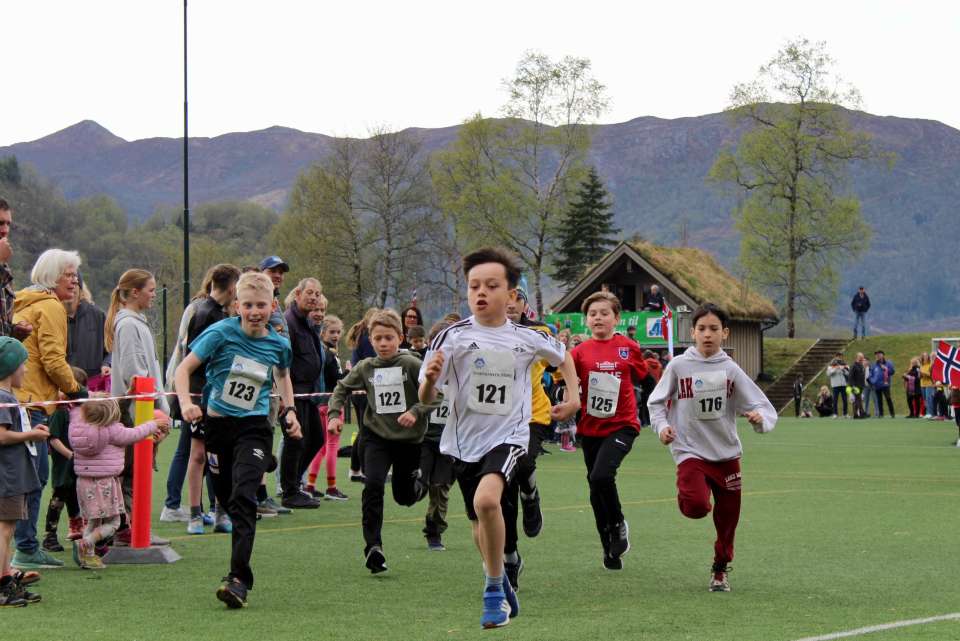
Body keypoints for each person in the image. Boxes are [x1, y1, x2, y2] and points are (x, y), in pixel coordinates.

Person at [418, 247, 580, 629]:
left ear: (510, 294)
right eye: (474, 285)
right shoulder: (451, 338)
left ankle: (493, 591)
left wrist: (573, 397)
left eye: (491, 286)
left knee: (487, 501)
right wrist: (429, 380)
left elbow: (564, 358)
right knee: (478, 521)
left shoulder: (526, 338)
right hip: (462, 443)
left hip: (509, 436)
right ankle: (500, 576)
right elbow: (426, 398)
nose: (481, 292)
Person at [174, 271, 302, 609]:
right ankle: (262, 461)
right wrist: (186, 404)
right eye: (248, 305)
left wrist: (290, 410)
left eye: (261, 305)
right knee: (228, 498)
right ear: (236, 305)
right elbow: (183, 370)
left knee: (244, 498)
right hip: (218, 427)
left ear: (272, 306)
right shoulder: (220, 333)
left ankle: (238, 579)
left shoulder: (279, 344)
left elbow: (283, 375)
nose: (255, 312)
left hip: (254, 426)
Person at [647, 302, 777, 592]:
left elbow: (760, 405)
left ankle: (720, 569)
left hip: (726, 453)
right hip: (690, 451)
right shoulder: (679, 366)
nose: (708, 334)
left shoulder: (731, 370)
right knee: (696, 507)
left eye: (714, 329)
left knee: (728, 520)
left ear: (725, 333)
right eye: (702, 329)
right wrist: (662, 427)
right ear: (692, 332)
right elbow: (655, 402)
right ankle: (689, 493)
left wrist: (759, 419)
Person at [327, 309, 434, 574]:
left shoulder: (412, 365)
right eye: (378, 338)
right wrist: (334, 415)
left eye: (388, 338)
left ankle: (421, 483)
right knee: (373, 484)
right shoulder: (366, 367)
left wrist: (415, 411)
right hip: (376, 437)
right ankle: (373, 547)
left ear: (400, 338)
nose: (383, 343)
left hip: (408, 440)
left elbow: (437, 395)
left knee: (404, 497)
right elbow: (341, 387)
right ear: (371, 340)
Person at [569, 291, 655, 571]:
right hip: (590, 428)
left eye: (604, 313)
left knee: (602, 476)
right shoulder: (578, 353)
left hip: (622, 425)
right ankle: (609, 548)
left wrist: (660, 411)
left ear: (616, 318)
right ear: (586, 320)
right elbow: (565, 384)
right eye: (592, 314)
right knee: (595, 488)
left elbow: (647, 381)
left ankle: (618, 524)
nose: (598, 318)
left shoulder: (628, 347)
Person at [11, 249, 85, 570]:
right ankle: (26, 547)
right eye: (68, 274)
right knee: (35, 475)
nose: (75, 280)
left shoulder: (24, 302)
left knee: (28, 475)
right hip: (31, 404)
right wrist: (76, 389)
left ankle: (24, 544)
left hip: (17, 400)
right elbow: (53, 360)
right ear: (52, 276)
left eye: (75, 275)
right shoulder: (51, 306)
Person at [162, 264, 241, 532]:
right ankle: (195, 513)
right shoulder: (207, 314)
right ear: (233, 287)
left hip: (214, 393)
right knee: (198, 454)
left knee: (216, 454)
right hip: (203, 395)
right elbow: (196, 359)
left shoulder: (216, 312)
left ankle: (219, 511)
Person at [105, 268, 173, 546]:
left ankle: (134, 529)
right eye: (151, 290)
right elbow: (135, 373)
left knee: (135, 473)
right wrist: (153, 410)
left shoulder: (135, 322)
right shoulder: (128, 325)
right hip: (135, 412)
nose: (154, 295)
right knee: (131, 473)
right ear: (135, 292)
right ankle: (128, 530)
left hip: (142, 411)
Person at [501, 286, 559, 589]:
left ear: (525, 305)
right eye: (506, 299)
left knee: (523, 463)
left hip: (533, 414)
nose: (511, 305)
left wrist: (568, 393)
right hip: (497, 420)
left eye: (517, 300)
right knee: (503, 494)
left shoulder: (539, 332)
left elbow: (560, 363)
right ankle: (510, 558)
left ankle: (531, 493)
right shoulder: (484, 333)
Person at [69, 397, 169, 569]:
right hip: (105, 483)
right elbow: (135, 434)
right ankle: (86, 543)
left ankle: (88, 555)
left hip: (83, 482)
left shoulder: (79, 428)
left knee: (93, 521)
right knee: (113, 523)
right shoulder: (112, 430)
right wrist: (153, 424)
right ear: (110, 414)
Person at [0, 337, 47, 606]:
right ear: (9, 368)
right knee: (4, 529)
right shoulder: (2, 397)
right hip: (6, 476)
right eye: (22, 365)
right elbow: (1, 436)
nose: (26, 370)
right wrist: (31, 435)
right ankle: (2, 585)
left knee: (7, 529)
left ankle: (7, 579)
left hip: (13, 475)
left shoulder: (9, 397)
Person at [280, 278, 326, 509]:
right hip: (294, 393)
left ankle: (294, 483)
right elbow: (282, 363)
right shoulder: (288, 322)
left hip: (309, 393)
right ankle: (289, 491)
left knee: (316, 438)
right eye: (310, 292)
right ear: (297, 294)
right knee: (295, 440)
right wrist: (283, 397)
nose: (314, 297)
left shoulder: (307, 322)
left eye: (317, 294)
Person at [41, 366, 88, 553]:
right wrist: (70, 455)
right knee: (58, 499)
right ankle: (49, 536)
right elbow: (53, 439)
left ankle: (76, 528)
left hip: (78, 465)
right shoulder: (60, 411)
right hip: (64, 466)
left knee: (75, 496)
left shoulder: (80, 411)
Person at [420, 320, 456, 551]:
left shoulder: (463, 371)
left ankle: (434, 532)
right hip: (423, 439)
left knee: (439, 488)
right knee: (419, 484)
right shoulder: (422, 370)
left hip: (449, 442)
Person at [304, 315, 348, 501]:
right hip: (332, 404)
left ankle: (310, 485)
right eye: (332, 332)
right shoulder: (329, 355)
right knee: (332, 446)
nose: (336, 335)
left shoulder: (321, 353)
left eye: (338, 332)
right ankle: (331, 487)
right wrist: (349, 372)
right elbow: (338, 380)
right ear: (322, 333)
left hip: (320, 402)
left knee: (321, 447)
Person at [347, 308, 380, 483]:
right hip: (364, 389)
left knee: (363, 431)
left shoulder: (361, 336)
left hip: (359, 389)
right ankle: (363, 470)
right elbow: (372, 362)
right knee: (366, 432)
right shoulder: (367, 338)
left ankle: (355, 469)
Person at [66, 279, 111, 392]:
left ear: (80, 289)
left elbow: (111, 349)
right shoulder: (52, 316)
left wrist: (107, 364)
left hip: (94, 387)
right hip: (61, 385)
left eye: (74, 285)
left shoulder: (98, 316)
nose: (70, 290)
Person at [0, 199, 33, 341]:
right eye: (0, 223)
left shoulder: (5, 267)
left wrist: (15, 332)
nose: (5, 230)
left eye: (8, 224)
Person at [868, 351, 896, 418]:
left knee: (888, 398)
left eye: (879, 354)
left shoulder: (888, 363)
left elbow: (892, 372)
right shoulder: (873, 365)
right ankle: (881, 414)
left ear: (883, 355)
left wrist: (886, 369)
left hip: (885, 385)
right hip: (877, 385)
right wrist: (873, 381)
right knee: (879, 400)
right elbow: (870, 375)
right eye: (876, 355)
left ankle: (892, 413)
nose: (877, 356)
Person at [826, 353, 849, 418]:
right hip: (835, 385)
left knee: (845, 400)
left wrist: (843, 369)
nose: (839, 358)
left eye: (840, 356)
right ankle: (835, 414)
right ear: (835, 357)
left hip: (843, 384)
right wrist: (836, 368)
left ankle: (845, 414)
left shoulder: (844, 364)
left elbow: (848, 373)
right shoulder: (831, 366)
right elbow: (828, 374)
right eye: (838, 356)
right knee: (835, 400)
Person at [849, 353, 867, 419]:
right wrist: (852, 385)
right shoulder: (853, 365)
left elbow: (862, 375)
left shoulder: (861, 365)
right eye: (861, 357)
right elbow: (850, 376)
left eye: (862, 357)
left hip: (861, 385)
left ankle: (855, 414)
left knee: (857, 399)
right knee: (859, 399)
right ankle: (862, 413)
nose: (862, 358)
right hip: (855, 386)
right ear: (857, 357)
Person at [919, 353, 934, 419]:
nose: (925, 357)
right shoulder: (921, 366)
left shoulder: (930, 365)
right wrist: (920, 374)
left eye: (926, 356)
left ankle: (930, 413)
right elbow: (920, 376)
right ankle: (927, 412)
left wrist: (924, 373)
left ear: (928, 357)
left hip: (929, 384)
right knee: (925, 399)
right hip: (922, 384)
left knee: (929, 398)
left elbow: (931, 375)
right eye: (924, 356)